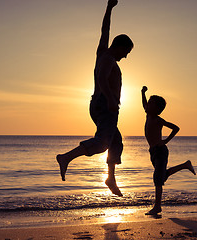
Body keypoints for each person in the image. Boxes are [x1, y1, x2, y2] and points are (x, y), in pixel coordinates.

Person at [56, 0, 133, 197]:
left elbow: (104, 29)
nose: (126, 56)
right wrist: (110, 99)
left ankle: (110, 178)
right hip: (104, 103)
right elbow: (101, 78)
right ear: (120, 46)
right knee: (102, 143)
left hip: (97, 103)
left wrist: (109, 8)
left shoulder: (102, 52)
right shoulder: (108, 58)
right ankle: (66, 157)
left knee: (116, 141)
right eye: (126, 52)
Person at [141, 86, 196, 215]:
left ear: (157, 109)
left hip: (160, 151)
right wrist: (142, 93)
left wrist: (165, 141)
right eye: (148, 103)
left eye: (150, 104)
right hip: (153, 152)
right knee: (162, 176)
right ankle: (185, 165)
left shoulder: (158, 120)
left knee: (158, 179)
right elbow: (144, 104)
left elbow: (176, 128)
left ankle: (157, 207)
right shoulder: (148, 115)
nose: (147, 105)